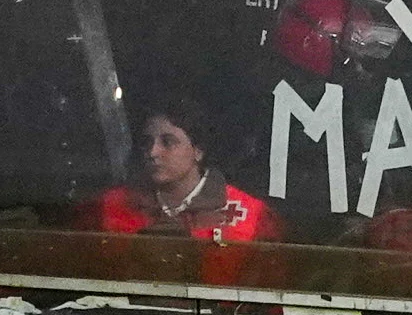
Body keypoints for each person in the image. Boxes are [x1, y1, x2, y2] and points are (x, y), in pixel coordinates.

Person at [81, 106, 280, 254]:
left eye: (168, 142)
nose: (152, 152)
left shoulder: (253, 217)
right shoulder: (106, 208)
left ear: (198, 151)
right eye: (147, 143)